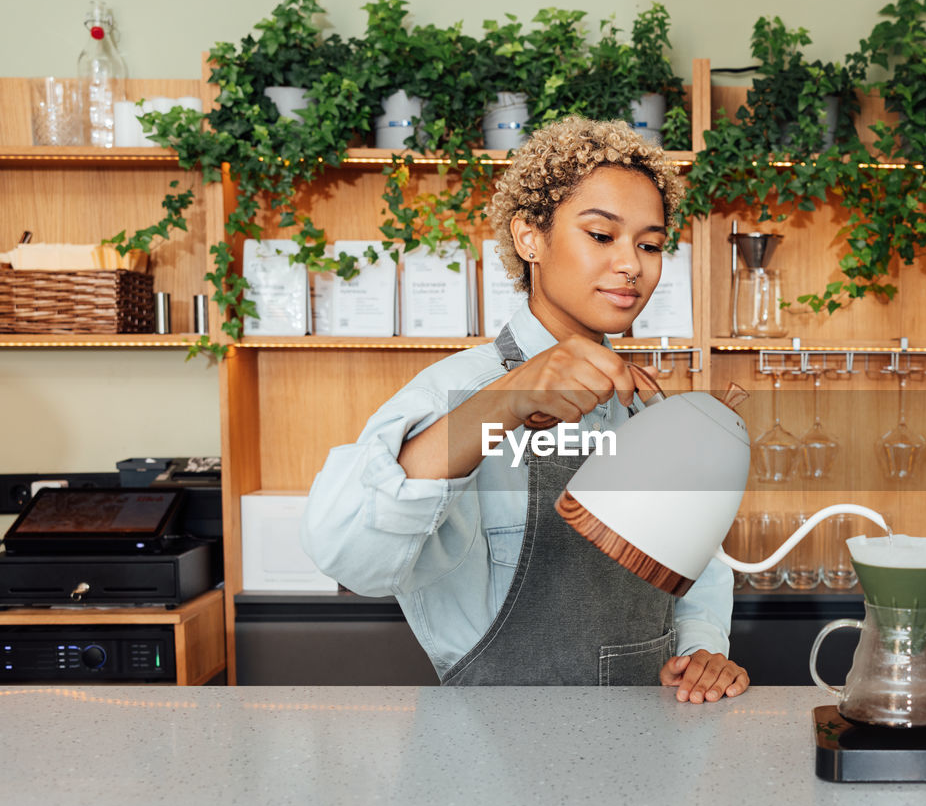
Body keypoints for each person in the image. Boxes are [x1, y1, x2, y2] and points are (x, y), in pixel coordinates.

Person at [302, 116, 750, 703]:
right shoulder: (457, 392)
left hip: (648, 749)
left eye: (650, 244)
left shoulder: (648, 409)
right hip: (490, 765)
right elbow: (349, 558)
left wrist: (699, 653)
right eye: (600, 235)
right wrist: (506, 401)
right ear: (528, 238)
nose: (632, 265)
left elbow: (696, 569)